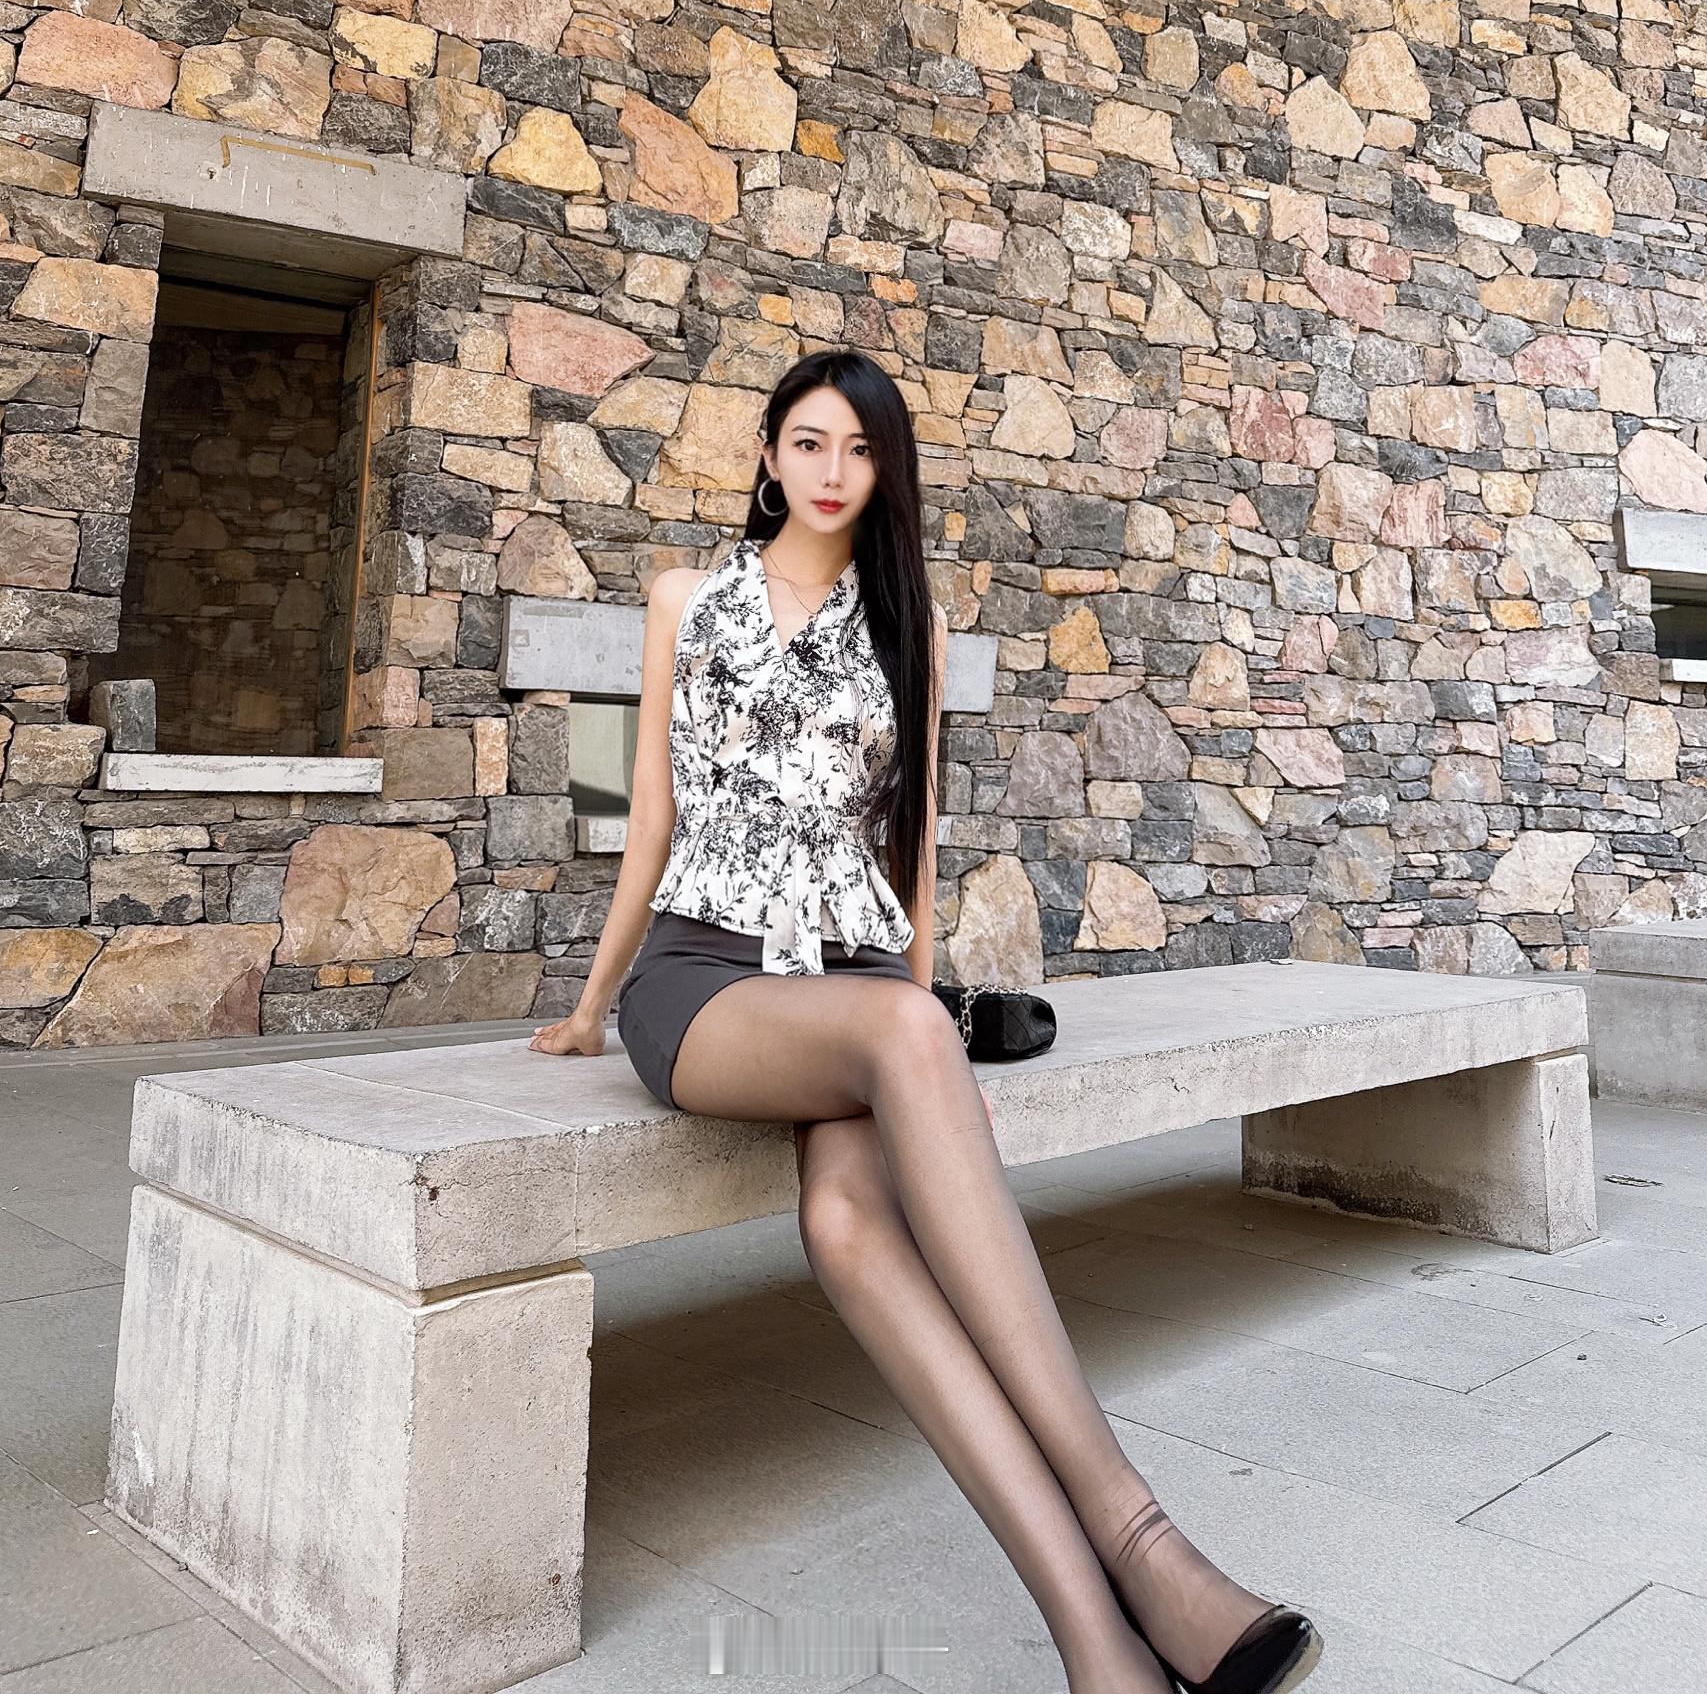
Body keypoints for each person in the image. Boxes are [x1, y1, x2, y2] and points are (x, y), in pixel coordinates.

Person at [529, 347, 1321, 1694]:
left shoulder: (911, 629)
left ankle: (1101, 1652)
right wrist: (593, 1009)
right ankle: (1144, 1542)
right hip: (705, 982)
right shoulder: (686, 601)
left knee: (848, 1228)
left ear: (885, 470)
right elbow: (650, 817)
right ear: (769, 454)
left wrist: (914, 1018)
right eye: (809, 442)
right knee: (910, 1034)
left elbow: (913, 856)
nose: (832, 471)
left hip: (850, 982)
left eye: (861, 449)